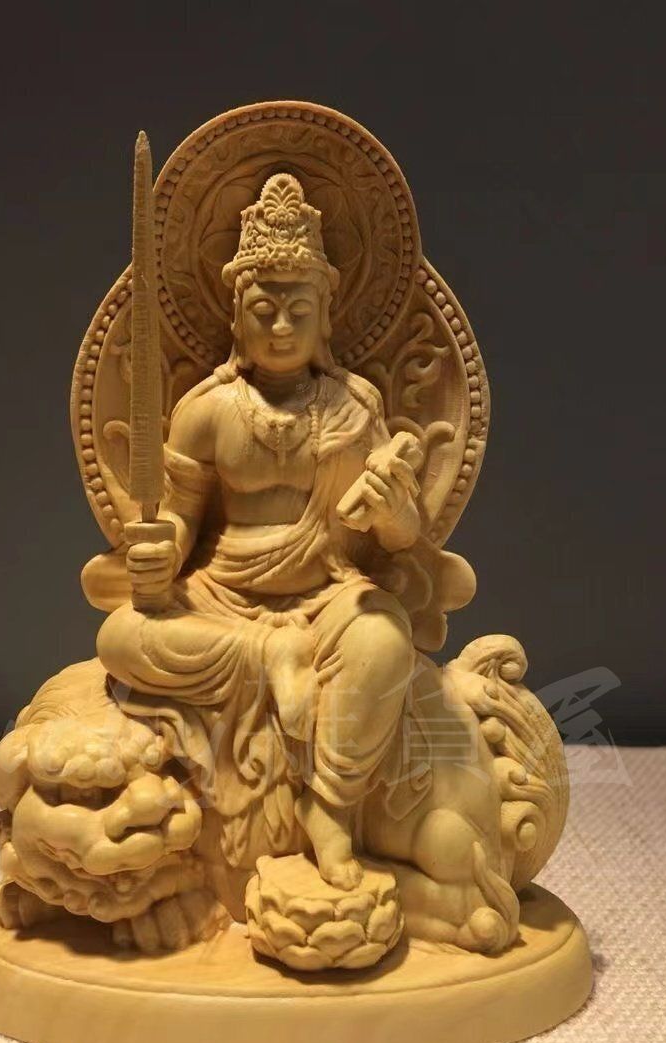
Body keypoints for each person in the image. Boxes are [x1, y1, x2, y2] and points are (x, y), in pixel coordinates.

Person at [97, 174, 423, 889]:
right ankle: (269, 655)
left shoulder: (356, 408)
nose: (280, 327)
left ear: (326, 315)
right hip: (224, 602)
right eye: (263, 309)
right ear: (236, 317)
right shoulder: (206, 410)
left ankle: (330, 808)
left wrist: (392, 508)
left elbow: (402, 539)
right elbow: (181, 519)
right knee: (119, 637)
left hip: (326, 599)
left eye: (298, 310)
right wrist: (159, 553)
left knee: (384, 639)